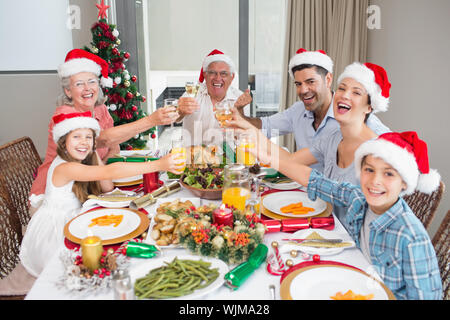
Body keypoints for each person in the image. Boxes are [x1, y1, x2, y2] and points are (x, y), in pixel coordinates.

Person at [246, 128, 443, 299]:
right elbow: (315, 181)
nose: (375, 181)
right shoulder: (359, 200)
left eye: (389, 173)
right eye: (369, 170)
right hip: (355, 283)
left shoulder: (412, 238)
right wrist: (269, 159)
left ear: (405, 183)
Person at [20, 111, 184, 277]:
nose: (83, 142)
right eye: (76, 137)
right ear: (63, 142)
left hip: (75, 218)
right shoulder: (64, 168)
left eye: (88, 137)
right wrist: (159, 164)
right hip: (55, 230)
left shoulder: (81, 158)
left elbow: (107, 187)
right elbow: (111, 171)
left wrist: (92, 152)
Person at [29, 49, 179, 210]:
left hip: (88, 190)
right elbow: (103, 140)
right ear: (68, 90)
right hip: (55, 200)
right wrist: (151, 121)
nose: (87, 88)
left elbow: (113, 147)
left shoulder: (100, 109)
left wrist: (102, 175)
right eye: (79, 84)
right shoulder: (65, 117)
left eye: (91, 81)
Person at [233, 48, 390, 172]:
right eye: (298, 84)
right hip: (306, 188)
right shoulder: (328, 136)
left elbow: (398, 159)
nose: (303, 90)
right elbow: (289, 158)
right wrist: (240, 117)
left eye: (310, 82)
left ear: (328, 80)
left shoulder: (373, 132)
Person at [176, 49, 250, 146]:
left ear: (232, 77)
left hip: (227, 158)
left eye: (223, 73)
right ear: (205, 75)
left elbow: (243, 137)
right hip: (193, 157)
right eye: (212, 73)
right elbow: (176, 117)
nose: (218, 78)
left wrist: (240, 113)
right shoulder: (193, 93)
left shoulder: (239, 99)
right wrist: (180, 111)